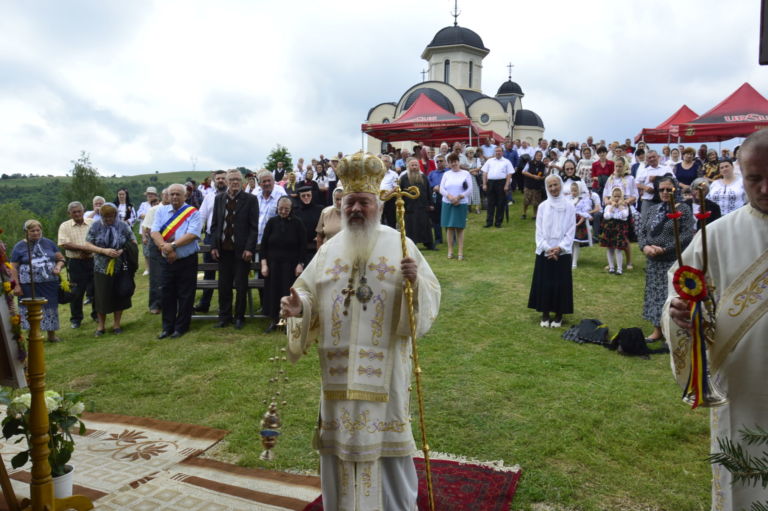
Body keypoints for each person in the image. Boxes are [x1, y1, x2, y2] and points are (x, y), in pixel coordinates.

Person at [280, 152, 440, 510]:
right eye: (349, 202)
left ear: (376, 205)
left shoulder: (401, 245)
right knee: (338, 448)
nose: (356, 209)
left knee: (389, 447)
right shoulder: (328, 251)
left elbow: (430, 296)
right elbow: (306, 292)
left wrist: (415, 284)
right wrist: (299, 308)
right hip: (337, 373)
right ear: (341, 205)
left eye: (364, 202)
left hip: (386, 370)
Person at [662, 128, 768, 511]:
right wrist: (681, 316)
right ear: (741, 175)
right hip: (741, 386)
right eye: (755, 178)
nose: (765, 188)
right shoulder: (718, 235)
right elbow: (680, 291)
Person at [637, 176, 694, 342]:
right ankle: (657, 329)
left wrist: (665, 249)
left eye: (669, 189)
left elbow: (685, 236)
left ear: (675, 189)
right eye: (661, 189)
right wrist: (645, 247)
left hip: (672, 261)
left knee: (670, 296)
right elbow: (641, 232)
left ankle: (672, 330)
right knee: (655, 295)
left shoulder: (683, 209)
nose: (665, 192)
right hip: (653, 261)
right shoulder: (653, 209)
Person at [209, 170, 259, 329]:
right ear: (227, 181)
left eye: (237, 179)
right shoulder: (219, 199)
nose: (235, 182)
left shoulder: (251, 199)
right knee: (223, 286)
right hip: (223, 250)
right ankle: (224, 317)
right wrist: (214, 245)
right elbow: (215, 225)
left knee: (241, 285)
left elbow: (253, 227)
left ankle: (239, 317)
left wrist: (250, 248)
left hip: (242, 251)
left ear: (242, 181)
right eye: (232, 180)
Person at [151, 184, 202, 339]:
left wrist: (171, 246)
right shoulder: (160, 210)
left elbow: (192, 234)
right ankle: (167, 327)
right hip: (167, 260)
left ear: (185, 196)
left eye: (178, 194)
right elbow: (154, 232)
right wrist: (165, 248)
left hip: (187, 260)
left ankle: (181, 327)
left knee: (186, 295)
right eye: (172, 194)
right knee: (167, 293)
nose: (174, 197)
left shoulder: (193, 213)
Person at [83, 204, 139, 336]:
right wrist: (103, 250)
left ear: (115, 215)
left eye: (111, 217)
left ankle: (117, 325)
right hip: (101, 267)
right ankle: (101, 326)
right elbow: (87, 244)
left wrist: (122, 250)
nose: (108, 220)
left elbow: (133, 241)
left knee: (119, 294)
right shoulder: (96, 226)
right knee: (101, 296)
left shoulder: (123, 226)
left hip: (120, 266)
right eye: (105, 217)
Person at [528, 175, 575, 328]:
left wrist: (560, 248)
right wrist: (548, 249)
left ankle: (559, 314)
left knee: (560, 283)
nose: (553, 188)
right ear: (547, 188)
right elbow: (539, 231)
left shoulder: (569, 206)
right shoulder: (542, 206)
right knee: (545, 283)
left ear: (560, 185)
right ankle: (545, 313)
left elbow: (570, 230)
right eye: (550, 186)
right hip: (545, 252)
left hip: (562, 252)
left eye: (556, 185)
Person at [10, 220, 65, 342]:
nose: (35, 233)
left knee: (50, 307)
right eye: (32, 231)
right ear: (26, 232)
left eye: (38, 230)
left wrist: (58, 266)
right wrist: (16, 285)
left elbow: (61, 259)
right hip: (28, 285)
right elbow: (13, 267)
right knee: (30, 309)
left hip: (49, 283)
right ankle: (33, 335)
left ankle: (51, 335)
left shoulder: (49, 243)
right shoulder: (19, 246)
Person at [260, 197, 306, 333]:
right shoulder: (271, 222)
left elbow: (302, 247)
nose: (283, 211)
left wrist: (300, 264)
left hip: (290, 266)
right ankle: (274, 320)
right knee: (273, 293)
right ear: (277, 208)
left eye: (286, 209)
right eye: (281, 209)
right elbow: (263, 246)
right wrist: (264, 265)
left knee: (288, 293)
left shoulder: (298, 223)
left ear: (291, 209)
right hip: (273, 265)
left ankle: (288, 321)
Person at [57, 201, 95, 329]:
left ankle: (97, 314)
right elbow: (64, 243)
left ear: (83, 211)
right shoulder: (64, 226)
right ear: (69, 214)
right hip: (76, 263)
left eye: (79, 211)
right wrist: (83, 249)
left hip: (94, 260)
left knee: (96, 289)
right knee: (77, 292)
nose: (77, 214)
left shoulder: (92, 223)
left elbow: (99, 238)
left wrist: (90, 250)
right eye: (74, 212)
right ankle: (76, 319)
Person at [194, 170, 228, 313]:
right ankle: (205, 304)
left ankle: (224, 306)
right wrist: (196, 235)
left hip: (227, 238)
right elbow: (201, 216)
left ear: (227, 180)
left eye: (223, 178)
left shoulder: (233, 195)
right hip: (210, 237)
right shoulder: (208, 197)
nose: (220, 180)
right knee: (209, 273)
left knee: (226, 274)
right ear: (214, 180)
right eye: (218, 178)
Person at [440, 153, 473, 260]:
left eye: (455, 161)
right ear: (448, 164)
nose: (454, 163)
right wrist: (450, 197)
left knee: (460, 228)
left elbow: (469, 189)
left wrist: (459, 197)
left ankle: (460, 252)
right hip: (447, 202)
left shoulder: (466, 173)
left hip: (461, 203)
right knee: (449, 227)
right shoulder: (446, 174)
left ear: (459, 162)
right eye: (451, 162)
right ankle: (450, 251)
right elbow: (441, 189)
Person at [142, 188, 170, 314]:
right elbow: (148, 229)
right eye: (166, 194)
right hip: (155, 245)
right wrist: (159, 243)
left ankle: (170, 302)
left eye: (171, 194)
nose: (169, 197)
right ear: (162, 196)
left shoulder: (178, 210)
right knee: (156, 276)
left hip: (171, 244)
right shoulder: (153, 210)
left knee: (170, 275)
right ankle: (155, 304)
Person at [399, 158, 435, 251]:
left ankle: (429, 244)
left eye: (416, 165)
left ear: (418, 166)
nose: (414, 167)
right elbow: (400, 193)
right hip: (409, 207)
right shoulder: (404, 178)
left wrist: (431, 203)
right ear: (408, 167)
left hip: (423, 206)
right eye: (412, 165)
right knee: (411, 226)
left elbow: (428, 191)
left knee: (425, 226)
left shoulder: (423, 177)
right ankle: (412, 244)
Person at [599, 187, 631, 274]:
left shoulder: (624, 206)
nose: (617, 198)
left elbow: (624, 216)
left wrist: (620, 207)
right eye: (615, 196)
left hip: (619, 229)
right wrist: (612, 207)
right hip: (609, 228)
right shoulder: (608, 206)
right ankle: (611, 267)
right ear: (612, 196)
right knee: (609, 248)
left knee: (618, 248)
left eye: (619, 196)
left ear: (622, 197)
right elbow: (607, 216)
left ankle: (619, 269)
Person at [481, 145, 514, 228]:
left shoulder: (506, 162)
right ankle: (489, 222)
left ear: (502, 152)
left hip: (502, 183)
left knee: (500, 203)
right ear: (494, 152)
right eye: (496, 151)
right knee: (490, 203)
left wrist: (507, 185)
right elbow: (484, 173)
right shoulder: (489, 161)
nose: (498, 153)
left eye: (499, 151)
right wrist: (484, 184)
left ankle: (498, 222)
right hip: (491, 183)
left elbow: (509, 174)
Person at [293, 185, 325, 264]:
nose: (306, 197)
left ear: (312, 195)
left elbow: (325, 226)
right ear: (299, 197)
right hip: (300, 249)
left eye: (308, 195)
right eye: (303, 196)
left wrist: (320, 235)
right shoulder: (295, 211)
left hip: (317, 247)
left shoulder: (320, 209)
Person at [137, 187, 160, 276]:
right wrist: (149, 215)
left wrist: (147, 215)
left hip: (156, 230)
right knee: (146, 251)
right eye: (148, 194)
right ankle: (148, 268)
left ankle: (156, 267)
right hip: (145, 230)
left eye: (152, 194)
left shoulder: (158, 204)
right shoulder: (143, 204)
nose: (150, 195)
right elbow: (139, 215)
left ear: (155, 195)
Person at [570, 181, 593, 269]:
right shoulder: (569, 199)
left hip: (579, 223)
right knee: (570, 242)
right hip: (570, 222)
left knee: (576, 242)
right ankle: (570, 259)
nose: (573, 192)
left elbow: (584, 212)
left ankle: (574, 262)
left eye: (575, 190)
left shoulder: (583, 201)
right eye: (572, 191)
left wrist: (580, 221)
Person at [521, 150, 546, 219]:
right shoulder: (529, 163)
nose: (539, 157)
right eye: (538, 155)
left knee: (536, 202)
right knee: (526, 200)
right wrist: (533, 176)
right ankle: (524, 213)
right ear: (535, 156)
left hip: (537, 185)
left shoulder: (543, 165)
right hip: (528, 184)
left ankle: (535, 215)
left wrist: (540, 178)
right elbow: (523, 172)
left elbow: (544, 175)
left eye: (540, 156)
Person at [428, 155, 447, 242]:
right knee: (436, 219)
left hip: (447, 196)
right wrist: (434, 187)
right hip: (435, 196)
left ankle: (452, 238)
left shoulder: (448, 172)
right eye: (437, 161)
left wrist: (440, 187)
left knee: (448, 218)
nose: (439, 163)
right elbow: (428, 183)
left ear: (445, 162)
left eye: (441, 161)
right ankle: (438, 238)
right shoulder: (432, 173)